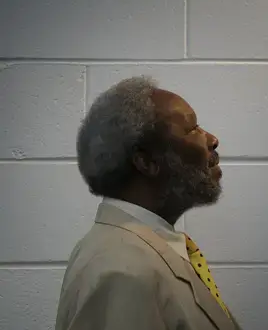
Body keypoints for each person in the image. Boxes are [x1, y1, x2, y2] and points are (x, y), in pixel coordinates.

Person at [55, 76, 241, 330]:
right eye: (193, 129)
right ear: (146, 162)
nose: (212, 139)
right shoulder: (123, 269)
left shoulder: (138, 250)